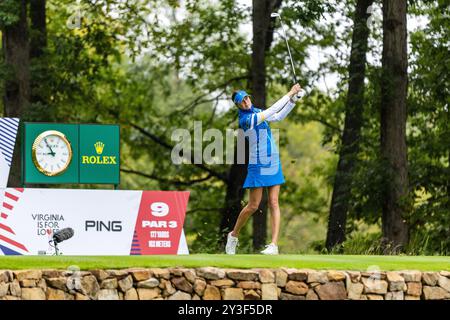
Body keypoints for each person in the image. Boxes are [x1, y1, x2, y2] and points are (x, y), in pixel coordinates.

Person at [226, 84, 303, 255]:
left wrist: (292, 101)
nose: (246, 102)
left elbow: (278, 116)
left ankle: (274, 245)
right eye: (241, 101)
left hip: (272, 161)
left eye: (246, 98)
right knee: (253, 205)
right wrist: (290, 92)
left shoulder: (256, 110)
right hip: (257, 163)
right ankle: (233, 235)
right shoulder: (246, 120)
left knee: (274, 202)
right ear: (238, 106)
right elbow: (270, 111)